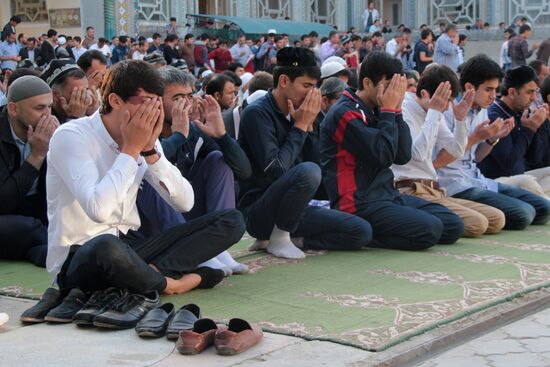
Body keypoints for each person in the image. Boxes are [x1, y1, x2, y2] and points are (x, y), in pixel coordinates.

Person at [46, 60, 245, 297]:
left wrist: (150, 152)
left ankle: (145, 274)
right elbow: (98, 210)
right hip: (82, 256)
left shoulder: (145, 136)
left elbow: (185, 203)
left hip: (133, 248)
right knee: (105, 245)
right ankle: (170, 283)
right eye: (145, 104)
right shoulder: (71, 135)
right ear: (115, 101)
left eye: (156, 104)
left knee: (232, 221)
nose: (152, 113)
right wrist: (130, 150)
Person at [321, 51, 464, 251]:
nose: (395, 94)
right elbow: (384, 156)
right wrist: (390, 111)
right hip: (357, 202)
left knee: (452, 225)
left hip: (386, 194)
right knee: (429, 230)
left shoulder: (380, 107)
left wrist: (395, 110)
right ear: (368, 83)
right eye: (389, 86)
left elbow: (403, 155)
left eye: (398, 88)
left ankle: (370, 230)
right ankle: (358, 233)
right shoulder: (344, 112)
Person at [238, 47, 373, 258]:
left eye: (315, 87)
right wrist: (300, 127)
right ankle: (278, 237)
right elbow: (275, 171)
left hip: (295, 208)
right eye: (306, 85)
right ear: (284, 81)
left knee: (361, 231)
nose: (312, 93)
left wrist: (308, 129)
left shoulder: (306, 113)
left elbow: (319, 172)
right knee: (307, 171)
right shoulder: (257, 114)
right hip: (259, 212)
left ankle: (293, 240)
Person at [145, 67, 250, 275]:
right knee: (156, 174)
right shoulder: (146, 128)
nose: (186, 103)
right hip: (157, 225)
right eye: (177, 98)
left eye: (189, 96)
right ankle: (196, 252)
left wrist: (222, 136)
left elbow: (244, 172)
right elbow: (148, 165)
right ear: (157, 100)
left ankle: (215, 247)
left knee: (218, 160)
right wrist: (178, 136)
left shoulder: (194, 129)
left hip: (189, 213)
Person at [434, 55, 550, 230]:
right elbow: (438, 162)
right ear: (469, 87)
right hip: (454, 184)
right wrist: (476, 137)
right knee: (524, 213)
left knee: (543, 209)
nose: (493, 96)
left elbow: (477, 158)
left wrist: (492, 139)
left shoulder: (481, 110)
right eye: (488, 90)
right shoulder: (447, 112)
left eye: (495, 90)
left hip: (478, 180)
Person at [393, 65, 505, 237]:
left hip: (433, 189)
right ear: (424, 94)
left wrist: (460, 121)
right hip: (409, 189)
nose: (447, 107)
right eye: (445, 100)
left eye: (450, 100)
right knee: (477, 223)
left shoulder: (435, 110)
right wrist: (434, 113)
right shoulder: (404, 109)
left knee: (497, 218)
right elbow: (418, 154)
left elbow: (456, 149)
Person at [0, 75, 59, 266]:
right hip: (7, 212)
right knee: (26, 229)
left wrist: (59, 147)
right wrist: (37, 156)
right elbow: (4, 202)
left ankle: (39, 251)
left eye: (49, 107)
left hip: (35, 209)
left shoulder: (53, 126)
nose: (47, 115)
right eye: (39, 108)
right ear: (13, 109)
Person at [482, 65, 550, 197]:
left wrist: (537, 126)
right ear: (512, 92)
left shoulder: (521, 112)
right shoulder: (496, 115)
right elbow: (510, 166)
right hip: (498, 181)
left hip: (521, 177)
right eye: (530, 92)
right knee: (527, 182)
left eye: (536, 92)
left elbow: (534, 159)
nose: (534, 98)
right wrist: (528, 130)